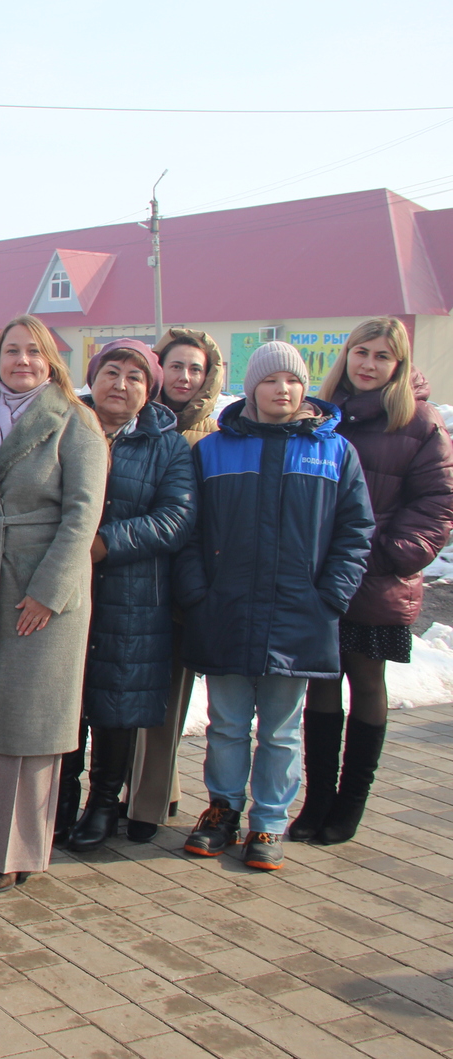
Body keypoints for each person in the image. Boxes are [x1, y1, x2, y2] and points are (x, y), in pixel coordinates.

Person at [175, 342, 373, 870]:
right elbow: (189, 531)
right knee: (227, 724)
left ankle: (268, 822)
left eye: (292, 380)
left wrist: (330, 595)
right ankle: (222, 810)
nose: (282, 390)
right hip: (227, 611)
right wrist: (199, 591)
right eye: (270, 381)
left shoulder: (335, 453)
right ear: (253, 388)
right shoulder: (214, 451)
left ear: (304, 388)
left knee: (283, 729)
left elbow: (356, 533)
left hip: (299, 615)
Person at [0, 315, 107, 894]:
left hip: (45, 593)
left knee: (30, 723)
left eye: (34, 352)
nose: (23, 361)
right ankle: (6, 838)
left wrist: (49, 593)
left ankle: (13, 852)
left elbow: (83, 516)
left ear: (51, 360)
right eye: (12, 350)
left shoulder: (75, 421)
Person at [294, 319, 453, 844]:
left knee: (365, 685)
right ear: (346, 356)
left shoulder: (421, 424)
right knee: (320, 686)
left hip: (377, 576)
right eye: (361, 352)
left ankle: (349, 805)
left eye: (382, 357)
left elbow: (437, 503)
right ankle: (315, 803)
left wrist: (387, 554)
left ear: (399, 367)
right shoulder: (320, 418)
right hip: (319, 578)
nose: (368, 364)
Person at [61, 340, 195, 853]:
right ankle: (61, 800)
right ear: (93, 378)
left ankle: (102, 805)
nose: (121, 384)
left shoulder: (168, 444)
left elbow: (176, 519)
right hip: (66, 587)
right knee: (66, 698)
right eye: (111, 372)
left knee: (116, 700)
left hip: (134, 593)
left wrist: (104, 544)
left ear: (150, 389)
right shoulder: (67, 426)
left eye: (135, 377)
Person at [127, 328, 225, 841]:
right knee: (127, 697)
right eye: (177, 366)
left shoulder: (213, 436)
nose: (185, 377)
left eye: (196, 368)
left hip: (182, 586)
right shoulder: (133, 419)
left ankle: (146, 805)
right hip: (130, 582)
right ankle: (152, 792)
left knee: (167, 702)